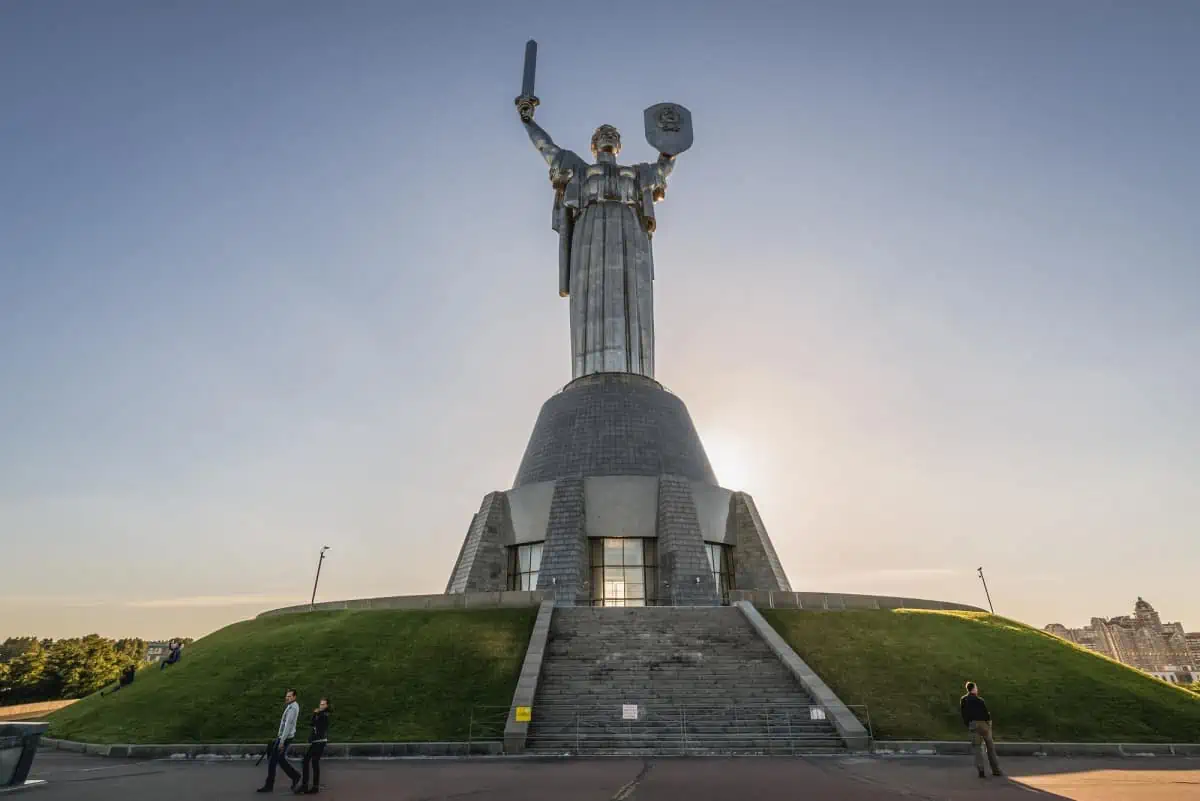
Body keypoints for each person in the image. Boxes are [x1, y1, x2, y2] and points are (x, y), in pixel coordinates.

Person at [258, 689, 302, 793]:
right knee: (280, 760)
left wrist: (281, 741)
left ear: (294, 697)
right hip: (284, 737)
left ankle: (269, 785)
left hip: (285, 738)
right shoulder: (291, 706)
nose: (287, 698)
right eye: (287, 696)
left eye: (290, 696)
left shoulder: (292, 709)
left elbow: (288, 725)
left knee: (273, 761)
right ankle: (295, 776)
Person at [960, 681, 1002, 778]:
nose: (977, 689)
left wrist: (968, 724)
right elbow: (986, 714)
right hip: (984, 724)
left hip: (973, 724)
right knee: (990, 747)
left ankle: (981, 770)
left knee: (977, 748)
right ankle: (996, 770)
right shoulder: (980, 700)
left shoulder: (964, 699)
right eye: (976, 687)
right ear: (973, 689)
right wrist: (989, 724)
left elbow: (963, 714)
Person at [295, 698, 331, 795]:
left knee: (308, 761)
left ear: (327, 706)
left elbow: (319, 727)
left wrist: (316, 714)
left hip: (319, 742)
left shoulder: (325, 715)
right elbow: (311, 723)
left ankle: (307, 786)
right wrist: (315, 714)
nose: (321, 706)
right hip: (317, 741)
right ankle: (311, 786)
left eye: (323, 704)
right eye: (320, 704)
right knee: (311, 762)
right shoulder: (320, 714)